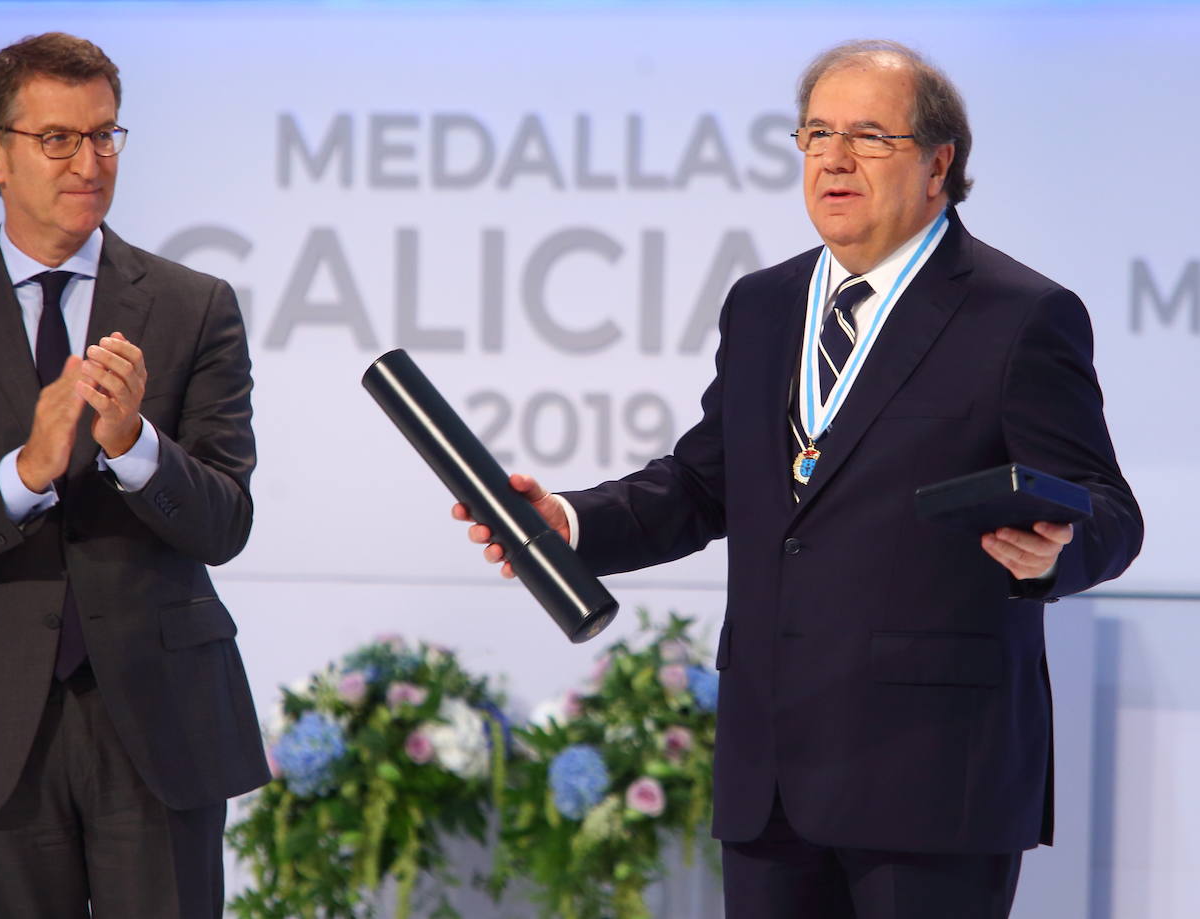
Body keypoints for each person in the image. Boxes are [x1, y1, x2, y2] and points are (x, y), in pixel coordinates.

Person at [456, 39, 1142, 918]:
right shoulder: (763, 304)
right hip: (772, 774)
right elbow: (703, 484)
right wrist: (570, 521)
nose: (834, 158)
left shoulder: (1018, 314)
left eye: (868, 135)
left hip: (931, 776)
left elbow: (1109, 509)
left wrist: (1056, 551)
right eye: (817, 134)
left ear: (939, 164)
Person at [0, 32, 266, 919]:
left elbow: (225, 522)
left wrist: (135, 446)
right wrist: (24, 472)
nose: (90, 162)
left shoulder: (194, 306)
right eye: (58, 139)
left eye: (105, 134)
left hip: (161, 718)